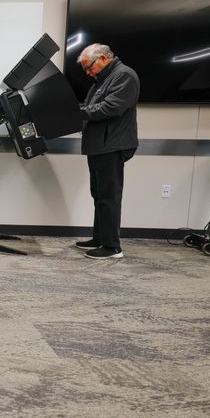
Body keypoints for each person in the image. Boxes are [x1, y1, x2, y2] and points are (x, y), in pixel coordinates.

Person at [75, 43, 139, 259]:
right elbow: (91, 108)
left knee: (109, 196)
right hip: (99, 145)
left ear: (102, 58)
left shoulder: (124, 75)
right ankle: (100, 237)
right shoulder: (102, 81)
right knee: (99, 194)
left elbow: (111, 107)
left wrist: (77, 112)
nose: (87, 72)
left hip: (112, 145)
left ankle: (112, 247)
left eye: (89, 67)